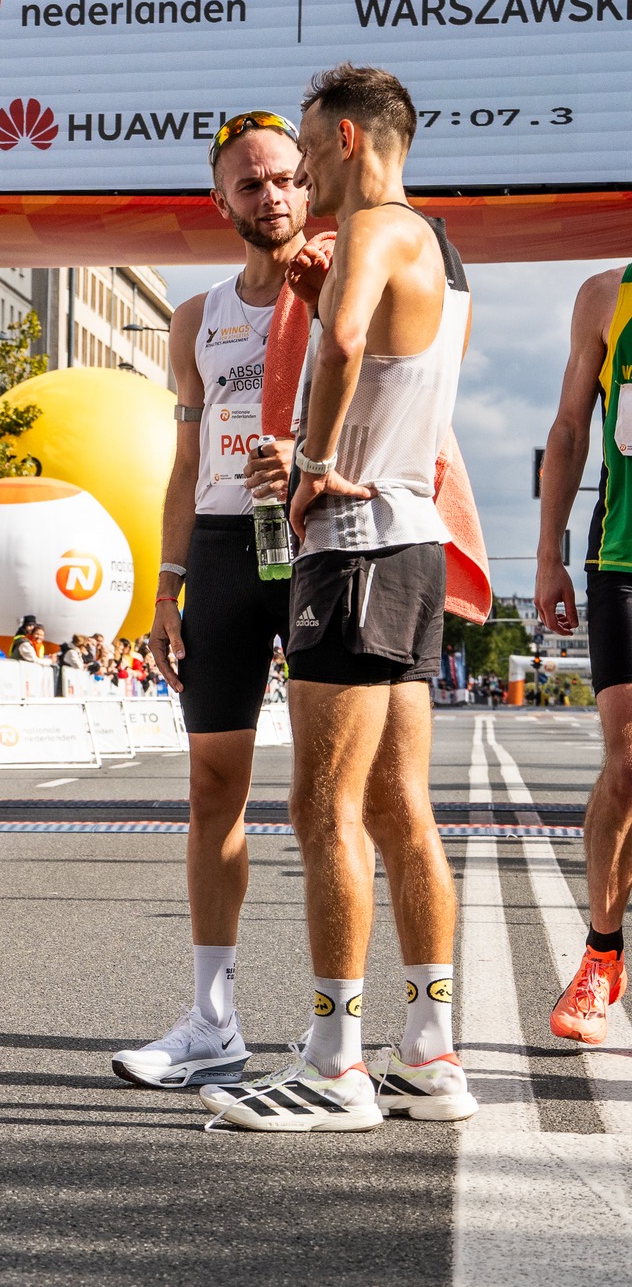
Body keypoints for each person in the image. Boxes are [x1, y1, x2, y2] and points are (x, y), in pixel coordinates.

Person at [206, 65, 476, 1132]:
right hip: (410, 541)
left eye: (311, 150)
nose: (303, 170)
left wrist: (310, 457)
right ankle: (427, 1054)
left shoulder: (374, 229)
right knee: (398, 809)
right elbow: (390, 363)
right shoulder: (436, 248)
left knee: (321, 809)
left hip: (355, 548)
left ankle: (333, 1067)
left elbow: (356, 343)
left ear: (351, 140)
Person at [114, 109, 306, 1090]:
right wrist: (163, 590)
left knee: (332, 796)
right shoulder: (196, 317)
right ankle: (212, 1021)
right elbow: (185, 461)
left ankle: (355, 1030)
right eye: (248, 183)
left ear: (307, 183)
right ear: (218, 201)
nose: (268, 195)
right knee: (210, 793)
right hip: (228, 552)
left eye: (282, 177)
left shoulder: (340, 292)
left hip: (321, 543)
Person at [534, 258, 632, 1044]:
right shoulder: (606, 294)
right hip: (623, 560)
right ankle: (602, 953)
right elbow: (568, 426)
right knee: (627, 764)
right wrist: (547, 553)